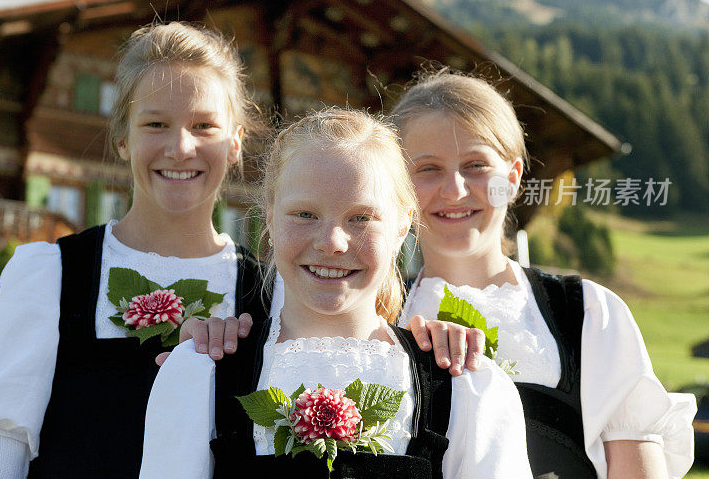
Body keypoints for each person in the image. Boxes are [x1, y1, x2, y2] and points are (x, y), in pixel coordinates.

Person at [0, 21, 272, 479]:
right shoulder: (51, 276)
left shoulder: (270, 297)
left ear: (234, 142)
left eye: (204, 126)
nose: (180, 147)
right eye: (156, 124)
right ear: (123, 138)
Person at [140, 108, 532, 478]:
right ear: (270, 218)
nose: (331, 242)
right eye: (305, 215)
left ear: (401, 227)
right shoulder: (201, 374)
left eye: (361, 218)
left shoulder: (466, 388)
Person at [392, 70, 697, 479]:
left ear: (514, 178)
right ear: (396, 185)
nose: (455, 190)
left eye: (476, 165)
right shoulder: (378, 313)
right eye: (427, 168)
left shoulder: (588, 313)